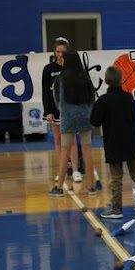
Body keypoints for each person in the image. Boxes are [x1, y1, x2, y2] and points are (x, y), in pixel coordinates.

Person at [90, 67, 135, 219]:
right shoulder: (128, 97)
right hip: (131, 140)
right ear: (121, 80)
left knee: (116, 177)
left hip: (114, 142)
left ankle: (116, 208)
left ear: (106, 81)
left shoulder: (103, 100)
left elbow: (94, 121)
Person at [48, 49, 98, 197]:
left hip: (67, 118)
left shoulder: (60, 80)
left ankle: (59, 188)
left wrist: (65, 111)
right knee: (87, 151)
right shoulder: (86, 79)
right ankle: (92, 187)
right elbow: (92, 99)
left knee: (64, 152)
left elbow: (57, 101)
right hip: (84, 117)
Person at [42, 37, 82, 183]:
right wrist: (48, 111)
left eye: (63, 52)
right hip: (54, 110)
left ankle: (76, 171)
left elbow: (78, 90)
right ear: (54, 52)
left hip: (69, 109)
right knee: (58, 140)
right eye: (58, 51)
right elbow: (45, 92)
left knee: (70, 140)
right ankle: (62, 171)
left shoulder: (73, 68)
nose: (60, 54)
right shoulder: (48, 69)